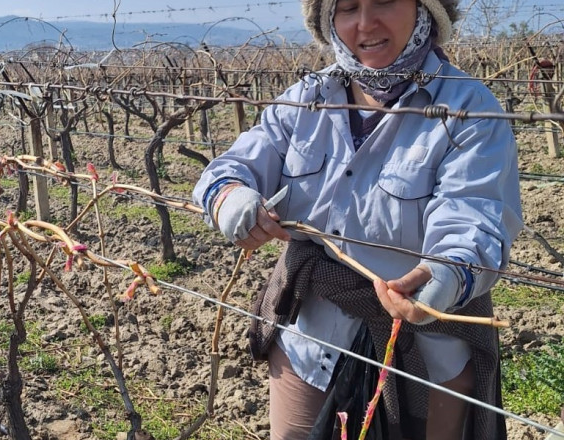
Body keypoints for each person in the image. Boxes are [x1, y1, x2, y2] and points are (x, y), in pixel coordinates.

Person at [193, 0, 522, 438]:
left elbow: (475, 215)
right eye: (347, 8)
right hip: (310, 341)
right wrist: (230, 196)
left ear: (426, 10)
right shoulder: (308, 100)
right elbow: (237, 165)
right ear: (327, 21)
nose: (365, 23)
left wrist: (444, 275)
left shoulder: (468, 109)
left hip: (429, 352)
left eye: (384, 1)